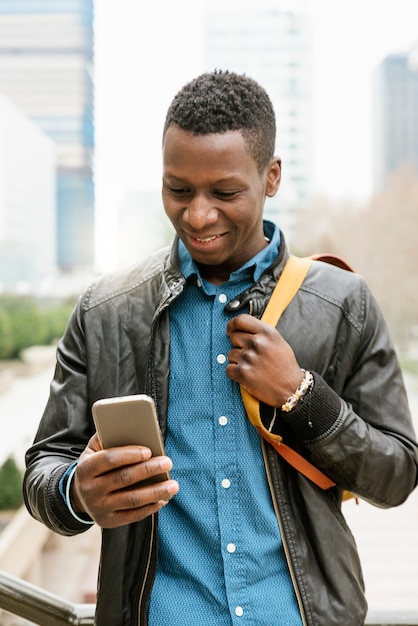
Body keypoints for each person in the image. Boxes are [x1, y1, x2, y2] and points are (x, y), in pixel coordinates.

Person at [24, 70, 418, 626]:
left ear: (272, 176)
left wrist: (301, 397)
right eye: (177, 189)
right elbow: (43, 468)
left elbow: (397, 476)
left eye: (225, 192)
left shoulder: (342, 303)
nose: (198, 215)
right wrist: (75, 493)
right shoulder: (104, 311)